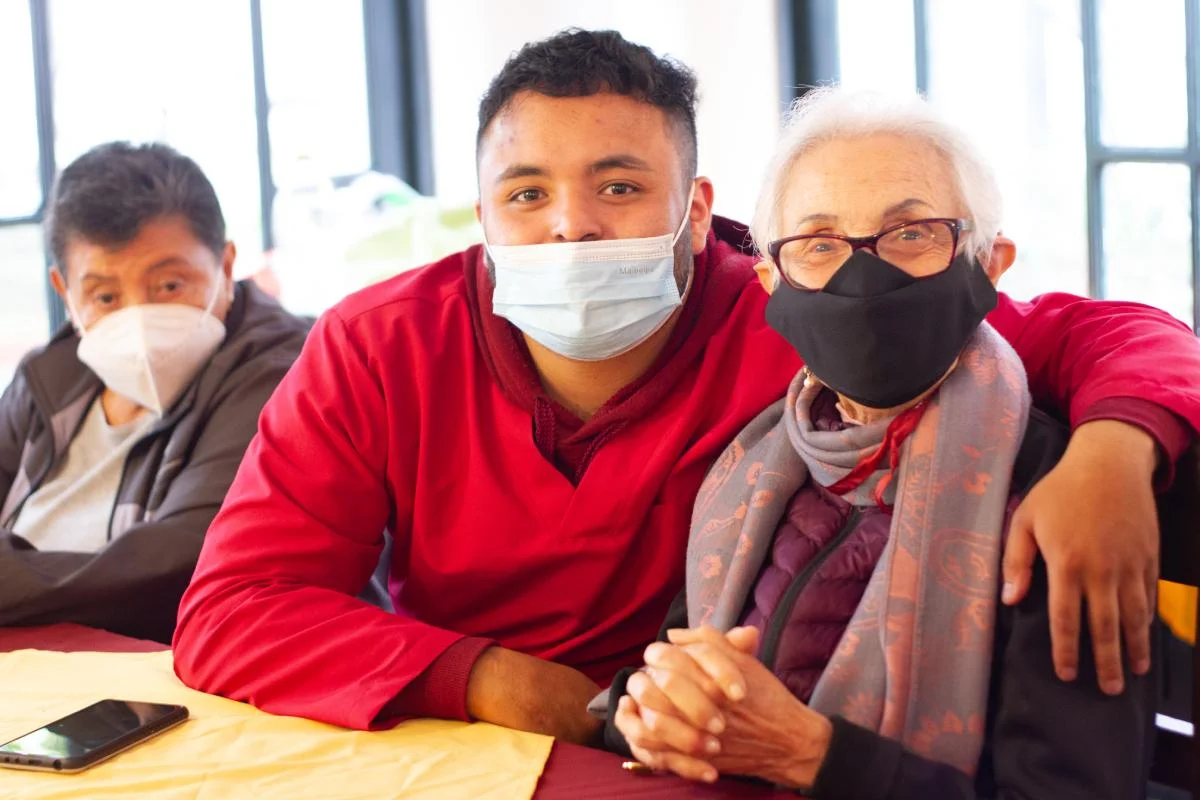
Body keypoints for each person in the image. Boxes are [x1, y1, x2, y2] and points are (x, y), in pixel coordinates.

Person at [173, 29, 1198, 743]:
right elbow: (232, 609)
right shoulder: (378, 344)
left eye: (620, 187)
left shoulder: (801, 303)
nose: (571, 225)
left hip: (712, 743)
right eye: (527, 195)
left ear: (699, 210)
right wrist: (493, 679)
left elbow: (1108, 333)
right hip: (466, 736)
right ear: (480, 215)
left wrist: (1114, 445)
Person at [606, 87, 1157, 798]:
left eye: (911, 233)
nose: (864, 276)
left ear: (989, 264)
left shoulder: (1049, 494)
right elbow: (665, 677)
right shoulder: (749, 463)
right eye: (820, 243)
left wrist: (809, 756)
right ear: (772, 281)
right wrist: (651, 713)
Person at [0, 142, 310, 642]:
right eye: (104, 296)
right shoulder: (47, 380)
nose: (137, 319)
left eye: (169, 285)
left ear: (226, 269)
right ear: (65, 293)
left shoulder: (285, 375)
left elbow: (181, 562)